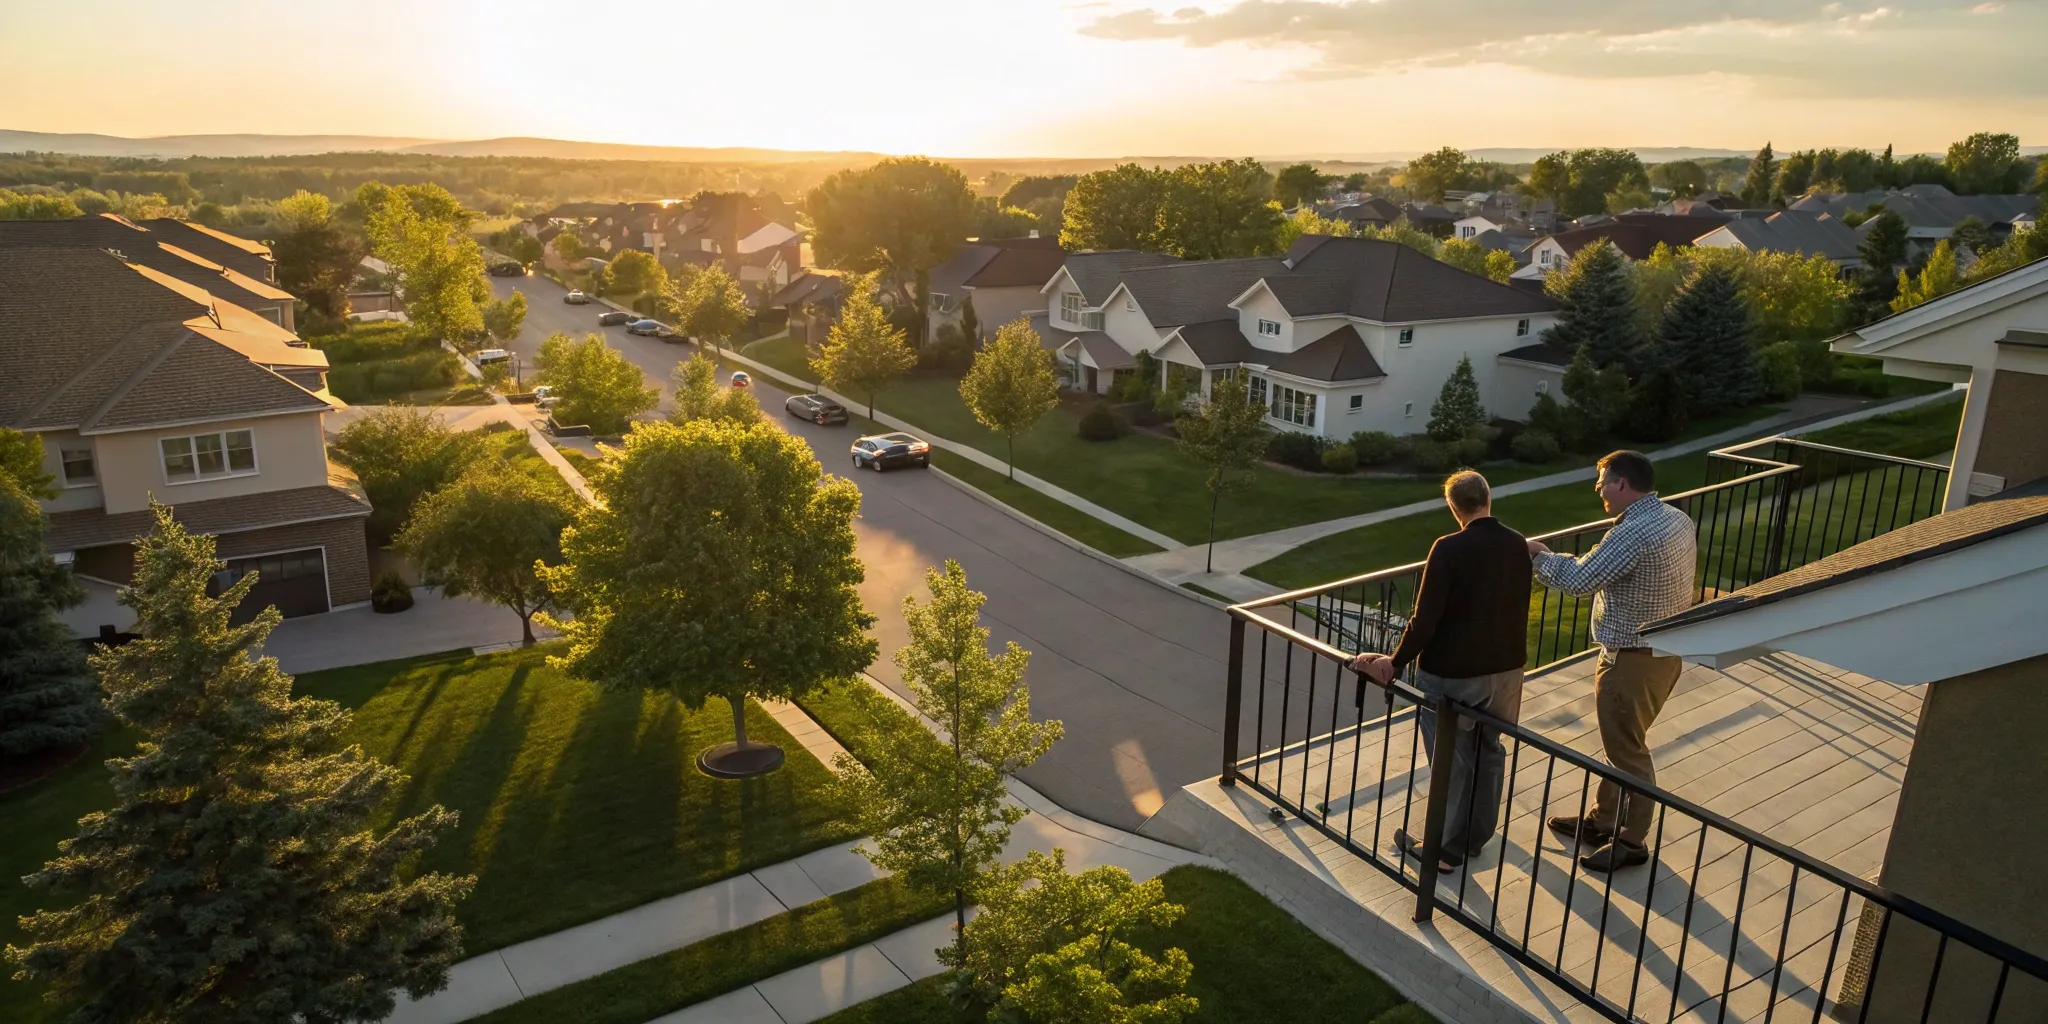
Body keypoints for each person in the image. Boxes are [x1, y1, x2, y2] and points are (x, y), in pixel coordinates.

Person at [1352, 471, 1530, 873]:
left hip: (1454, 673)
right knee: (1489, 751)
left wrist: (1393, 663)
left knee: (1452, 758)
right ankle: (1473, 838)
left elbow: (1425, 620)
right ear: (1489, 497)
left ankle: (1444, 852)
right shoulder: (1516, 544)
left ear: (1453, 507)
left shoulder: (1448, 548)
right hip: (1506, 671)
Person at [1528, 450, 1696, 873]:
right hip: (1667, 653)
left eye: (1602, 481)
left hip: (1632, 662)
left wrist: (1538, 556)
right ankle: (1604, 821)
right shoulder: (1676, 519)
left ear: (1622, 484)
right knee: (1620, 744)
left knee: (1628, 753)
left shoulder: (1634, 532)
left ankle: (1632, 841)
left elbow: (1581, 580)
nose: (1598, 489)